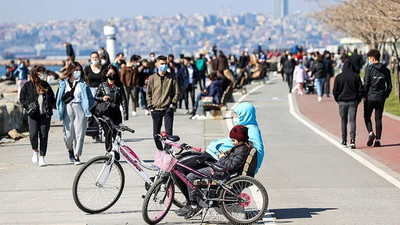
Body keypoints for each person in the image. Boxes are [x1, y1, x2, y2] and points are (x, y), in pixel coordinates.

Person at [178, 125, 252, 219]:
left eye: (233, 140)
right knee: (194, 172)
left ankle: (194, 205)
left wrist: (222, 158)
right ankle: (197, 202)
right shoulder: (241, 147)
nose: (232, 143)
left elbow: (231, 166)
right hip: (220, 168)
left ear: (240, 139)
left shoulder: (241, 150)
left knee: (190, 177)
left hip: (221, 172)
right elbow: (232, 163)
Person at [56, 62, 94, 165]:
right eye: (75, 70)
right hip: (67, 108)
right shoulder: (63, 83)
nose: (78, 72)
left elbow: (90, 98)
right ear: (71, 71)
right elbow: (58, 98)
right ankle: (70, 150)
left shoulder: (83, 83)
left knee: (80, 134)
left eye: (79, 70)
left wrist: (88, 108)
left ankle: (77, 155)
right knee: (68, 135)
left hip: (80, 107)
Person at [20, 65, 56, 167]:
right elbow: (22, 99)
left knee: (44, 135)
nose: (43, 74)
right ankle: (35, 150)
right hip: (33, 115)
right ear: (35, 73)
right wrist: (28, 106)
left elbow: (52, 98)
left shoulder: (46, 85)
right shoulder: (27, 85)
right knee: (33, 134)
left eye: (44, 72)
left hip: (45, 114)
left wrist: (55, 105)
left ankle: (42, 157)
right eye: (41, 72)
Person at [146, 55, 180, 150]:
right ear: (157, 65)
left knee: (169, 133)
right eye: (162, 64)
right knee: (156, 134)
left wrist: (172, 104)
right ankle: (160, 150)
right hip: (155, 109)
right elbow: (148, 93)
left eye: (165, 63)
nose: (164, 65)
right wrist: (150, 106)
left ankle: (167, 150)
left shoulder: (172, 78)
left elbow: (177, 92)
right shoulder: (152, 78)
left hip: (167, 108)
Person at [94, 65, 128, 151]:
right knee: (108, 133)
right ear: (106, 74)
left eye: (113, 73)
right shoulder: (102, 85)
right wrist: (103, 98)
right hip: (106, 112)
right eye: (110, 73)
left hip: (116, 112)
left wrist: (125, 114)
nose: (112, 75)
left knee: (117, 134)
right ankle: (108, 152)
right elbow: (96, 97)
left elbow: (123, 100)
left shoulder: (119, 86)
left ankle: (117, 152)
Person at [363, 49, 392, 147]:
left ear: (372, 58)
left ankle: (371, 133)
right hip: (380, 98)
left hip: (370, 97)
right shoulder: (386, 70)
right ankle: (378, 140)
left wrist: (364, 95)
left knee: (367, 116)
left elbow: (366, 84)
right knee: (378, 119)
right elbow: (389, 85)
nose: (369, 60)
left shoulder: (369, 69)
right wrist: (385, 95)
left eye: (369, 58)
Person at [333, 58, 364, 149]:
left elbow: (335, 91)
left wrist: (338, 99)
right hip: (353, 101)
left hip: (342, 101)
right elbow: (360, 90)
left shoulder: (339, 77)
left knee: (343, 121)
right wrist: (358, 100)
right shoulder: (356, 76)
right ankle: (353, 141)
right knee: (352, 121)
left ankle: (343, 141)